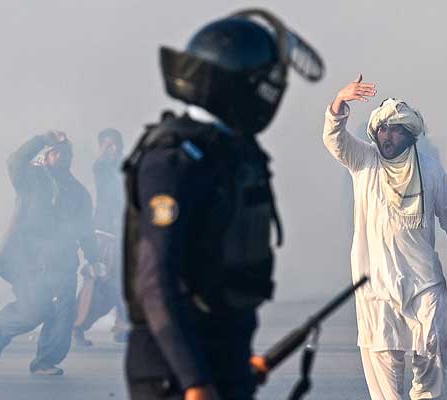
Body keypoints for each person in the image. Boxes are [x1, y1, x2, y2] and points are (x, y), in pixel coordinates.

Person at [121, 9, 324, 400]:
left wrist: (233, 371)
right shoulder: (176, 160)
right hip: (172, 375)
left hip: (222, 361)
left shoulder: (231, 155)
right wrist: (195, 381)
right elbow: (155, 281)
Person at [322, 75, 447, 400]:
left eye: (395, 129)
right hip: (376, 284)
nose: (387, 135)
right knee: (382, 360)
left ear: (409, 134)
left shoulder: (430, 169)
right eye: (382, 129)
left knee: (433, 351)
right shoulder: (364, 161)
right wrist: (340, 100)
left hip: (423, 281)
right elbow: (334, 139)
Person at [0, 130, 101, 376]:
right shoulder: (30, 178)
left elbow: (86, 229)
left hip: (64, 261)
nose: (61, 157)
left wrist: (94, 258)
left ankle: (45, 361)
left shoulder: (78, 192)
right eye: (56, 152)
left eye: (65, 154)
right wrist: (42, 139)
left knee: (63, 312)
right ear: (47, 154)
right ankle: (2, 332)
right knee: (33, 312)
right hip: (29, 260)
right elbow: (14, 161)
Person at [73, 128, 129, 346]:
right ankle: (76, 325)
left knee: (124, 282)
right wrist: (104, 152)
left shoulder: (123, 167)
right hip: (105, 236)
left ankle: (123, 325)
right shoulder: (102, 167)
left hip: (122, 233)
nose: (113, 149)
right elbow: (100, 166)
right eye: (108, 145)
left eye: (116, 144)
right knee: (97, 281)